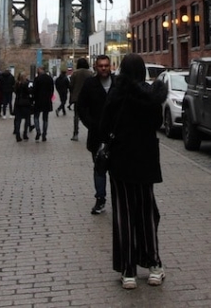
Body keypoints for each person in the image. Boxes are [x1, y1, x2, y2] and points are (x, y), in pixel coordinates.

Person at [98, 53, 168, 289]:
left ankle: (128, 271)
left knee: (123, 215)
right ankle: (154, 265)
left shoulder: (115, 94)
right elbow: (157, 124)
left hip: (120, 162)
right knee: (147, 213)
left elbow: (104, 126)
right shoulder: (151, 97)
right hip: (145, 161)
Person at [76, 54, 113, 214]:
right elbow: (81, 107)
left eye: (106, 65)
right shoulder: (90, 84)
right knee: (99, 169)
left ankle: (118, 199)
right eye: (101, 66)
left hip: (115, 136)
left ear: (110, 66)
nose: (104, 68)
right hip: (96, 135)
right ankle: (100, 199)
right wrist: (90, 124)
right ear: (95, 67)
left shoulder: (118, 83)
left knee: (116, 170)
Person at [69, 57, 92, 141]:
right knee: (90, 115)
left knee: (76, 116)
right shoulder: (90, 73)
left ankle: (75, 133)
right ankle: (91, 131)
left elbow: (71, 85)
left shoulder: (75, 73)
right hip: (88, 98)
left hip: (77, 98)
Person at [31, 65, 55, 141]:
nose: (38, 70)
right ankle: (44, 134)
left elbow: (34, 90)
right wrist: (50, 97)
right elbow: (52, 90)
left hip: (38, 100)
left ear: (41, 70)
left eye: (38, 69)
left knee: (36, 116)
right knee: (45, 118)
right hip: (47, 100)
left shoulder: (37, 79)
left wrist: (33, 99)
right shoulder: (49, 79)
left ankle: (38, 131)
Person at [12, 71, 33, 142]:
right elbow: (30, 91)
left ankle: (18, 134)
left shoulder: (16, 84)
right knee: (27, 119)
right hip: (25, 103)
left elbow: (15, 91)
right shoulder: (26, 84)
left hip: (18, 103)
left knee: (18, 120)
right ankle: (25, 134)